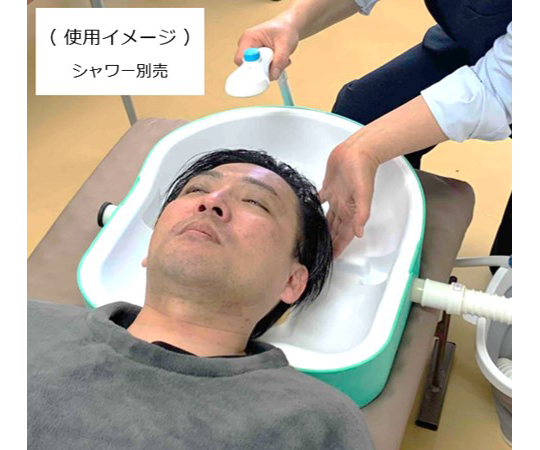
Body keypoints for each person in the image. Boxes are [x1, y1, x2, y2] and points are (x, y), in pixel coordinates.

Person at [27, 149, 374, 450]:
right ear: (149, 248)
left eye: (255, 202)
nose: (210, 202)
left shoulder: (316, 423)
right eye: (196, 190)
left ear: (291, 281)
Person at [235, 0, 512, 258]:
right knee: (359, 115)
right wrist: (291, 21)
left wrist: (366, 149)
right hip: (469, 37)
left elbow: (499, 86)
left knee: (510, 255)